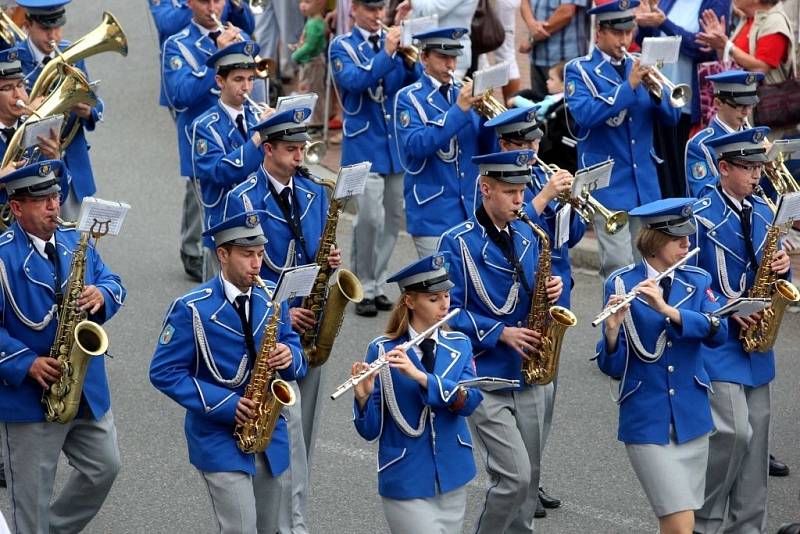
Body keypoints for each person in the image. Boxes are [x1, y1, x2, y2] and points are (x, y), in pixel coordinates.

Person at [150, 209, 307, 534]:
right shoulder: (193, 308)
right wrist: (227, 404)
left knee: (269, 527)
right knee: (239, 527)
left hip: (268, 431)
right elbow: (163, 372)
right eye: (247, 255)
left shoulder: (272, 300)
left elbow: (297, 352)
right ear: (222, 254)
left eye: (260, 254)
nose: (257, 264)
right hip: (217, 434)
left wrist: (289, 355)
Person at [223, 107, 341, 534]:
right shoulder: (243, 198)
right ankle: (276, 522)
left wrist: (327, 260)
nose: (299, 158)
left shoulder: (315, 192)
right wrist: (279, 308)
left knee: (303, 437)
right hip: (272, 324)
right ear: (267, 149)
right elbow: (240, 273)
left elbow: (312, 254)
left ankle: (294, 521)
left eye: (301, 149)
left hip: (311, 320)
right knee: (279, 437)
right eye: (290, 150)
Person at [437, 150, 564, 533]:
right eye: (510, 192)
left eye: (523, 192)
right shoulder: (455, 243)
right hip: (486, 375)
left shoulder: (530, 234)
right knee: (514, 478)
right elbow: (446, 314)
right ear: (486, 188)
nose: (520, 201)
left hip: (529, 374)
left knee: (529, 481)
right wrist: (500, 332)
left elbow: (544, 280)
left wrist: (558, 286)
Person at [0, 160, 126, 533]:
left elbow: (114, 281)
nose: (54, 205)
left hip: (85, 388)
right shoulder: (3, 257)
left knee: (105, 467)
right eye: (42, 200)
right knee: (32, 499)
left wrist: (102, 294)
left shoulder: (75, 240)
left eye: (55, 196)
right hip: (29, 396)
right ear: (17, 207)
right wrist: (26, 363)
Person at [596, 197, 727, 534]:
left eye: (688, 236)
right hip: (646, 418)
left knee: (679, 522)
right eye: (677, 238)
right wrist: (612, 330)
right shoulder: (621, 284)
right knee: (679, 524)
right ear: (654, 241)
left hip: (691, 415)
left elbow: (718, 332)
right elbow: (613, 366)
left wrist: (668, 310)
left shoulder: (696, 279)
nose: (687, 244)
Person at [486, 106, 585, 518]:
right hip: (518, 304)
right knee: (524, 403)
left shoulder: (542, 177)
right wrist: (543, 198)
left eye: (534, 142)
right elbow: (513, 232)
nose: (531, 150)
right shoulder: (498, 185)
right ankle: (516, 481)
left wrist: (572, 204)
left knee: (544, 403)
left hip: (553, 301)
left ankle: (532, 478)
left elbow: (569, 238)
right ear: (504, 145)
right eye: (521, 143)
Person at [693, 127, 791, 534]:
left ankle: (748, 527)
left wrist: (784, 262)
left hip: (757, 343)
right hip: (720, 339)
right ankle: (703, 521)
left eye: (759, 167)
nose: (756, 175)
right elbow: (688, 276)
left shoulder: (766, 211)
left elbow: (773, 258)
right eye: (748, 168)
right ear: (723, 167)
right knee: (732, 433)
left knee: (757, 443)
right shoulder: (698, 213)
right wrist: (722, 309)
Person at [350, 251, 483, 534]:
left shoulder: (459, 344)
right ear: (410, 301)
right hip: (405, 476)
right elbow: (371, 431)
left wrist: (421, 377)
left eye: (446, 296)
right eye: (433, 299)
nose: (443, 304)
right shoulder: (382, 350)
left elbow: (470, 401)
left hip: (452, 474)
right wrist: (363, 398)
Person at [564, 0, 681, 278]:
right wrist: (629, 86)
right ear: (599, 33)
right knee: (618, 267)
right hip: (609, 184)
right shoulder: (579, 70)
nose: (625, 40)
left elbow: (671, 119)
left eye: (629, 32)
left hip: (645, 183)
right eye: (618, 33)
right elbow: (585, 115)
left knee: (649, 266)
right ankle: (615, 322)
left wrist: (657, 94)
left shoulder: (640, 64)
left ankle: (644, 322)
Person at [329, 0, 419, 316]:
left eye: (380, 9)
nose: (377, 15)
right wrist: (388, 53)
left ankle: (378, 283)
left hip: (394, 147)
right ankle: (362, 284)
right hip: (363, 147)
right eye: (370, 9)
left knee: (393, 217)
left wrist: (406, 42)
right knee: (369, 218)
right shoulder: (342, 46)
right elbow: (356, 81)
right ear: (354, 9)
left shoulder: (390, 43)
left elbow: (412, 81)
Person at [162, 0, 253, 282]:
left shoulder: (239, 36)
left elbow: (251, 89)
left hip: (238, 134)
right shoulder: (177, 44)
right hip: (202, 135)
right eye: (205, 0)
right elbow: (180, 95)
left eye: (218, 0)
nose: (213, 6)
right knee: (203, 197)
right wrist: (215, 52)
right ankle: (197, 256)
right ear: (189, 3)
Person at [394, 27, 495, 259]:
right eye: (442, 57)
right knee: (440, 284)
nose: (450, 64)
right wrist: (459, 110)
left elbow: (484, 150)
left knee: (469, 286)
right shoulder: (409, 98)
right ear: (424, 58)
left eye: (453, 57)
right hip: (433, 210)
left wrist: (493, 122)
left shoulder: (462, 92)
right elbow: (417, 145)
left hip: (471, 207)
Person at [15, 0, 105, 221]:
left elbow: (97, 103)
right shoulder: (13, 60)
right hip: (31, 168)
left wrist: (87, 110)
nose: (53, 36)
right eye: (46, 29)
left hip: (72, 164)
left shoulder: (71, 54)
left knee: (77, 243)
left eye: (57, 27)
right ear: (28, 24)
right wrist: (24, 112)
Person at [634, 0, 732, 198]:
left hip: (690, 103)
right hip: (660, 96)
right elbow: (651, 41)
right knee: (663, 165)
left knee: (685, 168)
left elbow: (704, 46)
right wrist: (644, 25)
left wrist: (664, 23)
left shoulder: (716, 2)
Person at [191, 40, 270, 280]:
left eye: (250, 79)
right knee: (220, 297)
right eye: (238, 79)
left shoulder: (258, 116)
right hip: (225, 221)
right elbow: (219, 172)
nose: (246, 87)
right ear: (220, 81)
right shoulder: (204, 126)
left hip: (260, 216)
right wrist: (256, 141)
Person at [684, 69, 762, 197]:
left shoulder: (754, 138)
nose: (746, 112)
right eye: (740, 105)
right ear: (718, 104)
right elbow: (702, 193)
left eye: (750, 105)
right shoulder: (699, 145)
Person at [0, 46, 60, 170]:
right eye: (7, 88)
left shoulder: (35, 128)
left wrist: (55, 158)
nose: (18, 95)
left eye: (20, 85)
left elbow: (57, 186)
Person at [520, 0, 590, 102]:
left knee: (562, 110)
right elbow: (525, 2)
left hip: (564, 62)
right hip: (537, 57)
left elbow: (566, 12)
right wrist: (531, 23)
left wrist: (533, 39)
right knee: (539, 109)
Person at [392, 0, 477, 77]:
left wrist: (412, 2)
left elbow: (431, 10)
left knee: (442, 93)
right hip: (427, 53)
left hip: (449, 55)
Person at [291, 0, 328, 127]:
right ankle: (310, 121)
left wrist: (296, 55)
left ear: (319, 3)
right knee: (307, 91)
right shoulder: (311, 20)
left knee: (312, 92)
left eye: (307, 2)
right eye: (301, 2)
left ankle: (316, 123)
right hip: (309, 62)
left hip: (313, 64)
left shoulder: (315, 24)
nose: (302, 5)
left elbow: (310, 46)